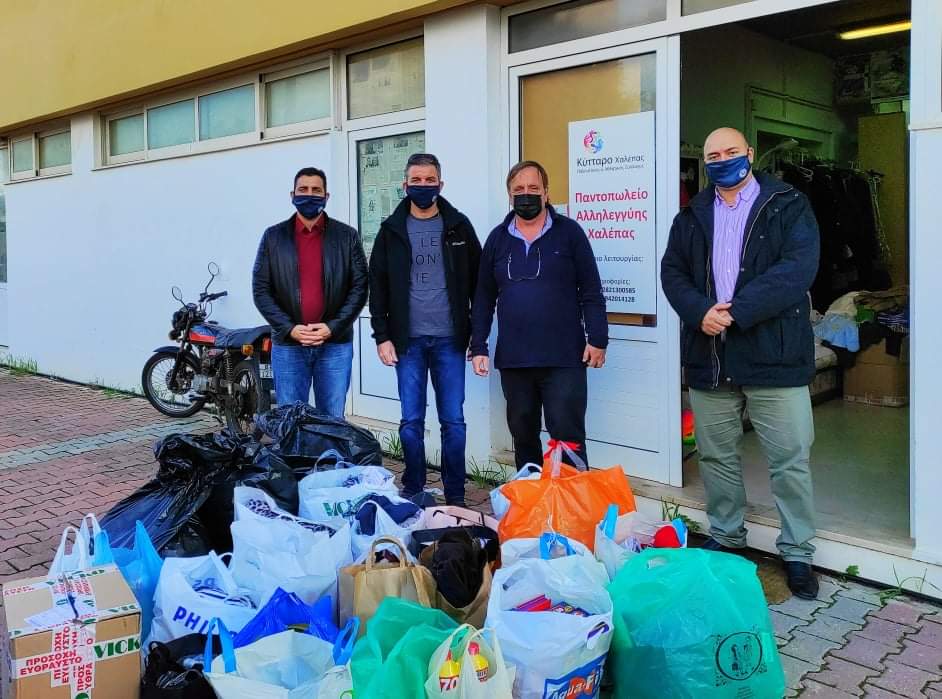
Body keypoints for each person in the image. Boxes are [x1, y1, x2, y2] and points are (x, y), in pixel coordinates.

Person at [661, 127, 821, 599]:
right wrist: (699, 311)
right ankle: (728, 536)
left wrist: (737, 311)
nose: (723, 160)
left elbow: (798, 269)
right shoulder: (692, 214)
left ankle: (797, 551)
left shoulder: (788, 203)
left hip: (774, 354)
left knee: (789, 458)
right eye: (713, 155)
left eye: (731, 152)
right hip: (710, 354)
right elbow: (672, 271)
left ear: (750, 153)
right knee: (716, 455)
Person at [470, 160, 607, 469]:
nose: (526, 194)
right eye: (518, 189)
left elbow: (591, 290)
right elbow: (483, 297)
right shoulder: (497, 239)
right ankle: (530, 497)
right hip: (515, 361)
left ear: (546, 193)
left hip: (564, 359)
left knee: (568, 439)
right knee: (523, 437)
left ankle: (570, 500)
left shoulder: (570, 233)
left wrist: (598, 338)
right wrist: (478, 345)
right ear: (509, 195)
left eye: (533, 188)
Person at [369, 153, 481, 506]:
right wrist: (382, 336)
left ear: (440, 184)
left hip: (450, 339)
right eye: (416, 180)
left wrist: (477, 337)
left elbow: (479, 284)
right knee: (411, 420)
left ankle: (456, 494)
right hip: (408, 342)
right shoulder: (391, 230)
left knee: (454, 421)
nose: (423, 186)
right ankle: (414, 488)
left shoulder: (459, 226)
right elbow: (378, 286)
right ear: (405, 185)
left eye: (429, 180)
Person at [252, 166, 368, 417]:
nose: (309, 195)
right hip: (289, 345)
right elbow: (261, 290)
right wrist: (290, 328)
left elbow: (360, 287)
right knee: (291, 419)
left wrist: (332, 327)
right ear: (292, 195)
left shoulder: (347, 236)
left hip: (334, 344)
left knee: (332, 418)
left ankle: (327, 447)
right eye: (303, 189)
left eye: (316, 190)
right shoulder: (273, 237)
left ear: (326, 196)